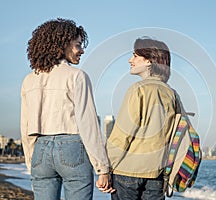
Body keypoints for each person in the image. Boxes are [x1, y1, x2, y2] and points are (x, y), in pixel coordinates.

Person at [21, 18, 114, 200]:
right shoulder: (77, 76)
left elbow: (25, 126)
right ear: (62, 45)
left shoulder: (29, 80)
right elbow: (88, 124)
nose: (82, 50)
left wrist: (30, 162)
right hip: (72, 147)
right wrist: (102, 167)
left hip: (40, 149)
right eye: (78, 45)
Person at [106, 37, 178, 200]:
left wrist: (106, 167)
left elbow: (123, 134)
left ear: (149, 61)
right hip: (157, 172)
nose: (130, 60)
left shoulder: (138, 89)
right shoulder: (171, 93)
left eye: (135, 56)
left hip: (127, 171)